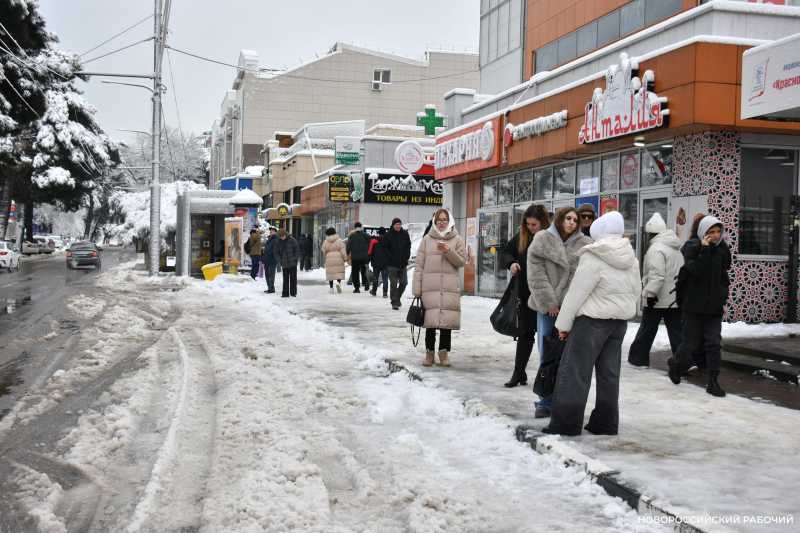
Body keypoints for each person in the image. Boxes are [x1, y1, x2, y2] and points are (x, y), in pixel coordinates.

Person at [542, 211, 640, 436]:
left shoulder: (594, 256)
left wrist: (563, 325)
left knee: (575, 372)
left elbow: (577, 293)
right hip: (618, 323)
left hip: (591, 322)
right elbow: (637, 291)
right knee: (609, 374)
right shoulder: (631, 258)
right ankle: (605, 423)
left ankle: (566, 424)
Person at [527, 207, 592, 418]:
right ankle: (545, 401)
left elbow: (585, 279)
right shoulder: (542, 239)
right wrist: (550, 303)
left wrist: (571, 306)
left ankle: (564, 401)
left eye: (576, 219)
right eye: (568, 218)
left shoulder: (585, 245)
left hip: (572, 309)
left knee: (569, 357)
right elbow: (536, 275)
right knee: (548, 353)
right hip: (548, 309)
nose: (572, 222)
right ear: (559, 219)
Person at [668, 215, 732, 397]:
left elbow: (725, 268)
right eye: (711, 232)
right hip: (694, 307)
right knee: (690, 344)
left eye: (718, 231)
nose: (715, 235)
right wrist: (705, 250)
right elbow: (696, 271)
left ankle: (713, 381)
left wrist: (722, 295)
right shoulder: (692, 248)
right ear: (703, 232)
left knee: (713, 344)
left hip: (714, 308)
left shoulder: (721, 249)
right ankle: (676, 364)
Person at [500, 204, 549, 388]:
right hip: (526, 293)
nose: (531, 227)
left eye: (534, 224)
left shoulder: (550, 237)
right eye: (528, 224)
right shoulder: (523, 235)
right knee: (525, 333)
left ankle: (546, 377)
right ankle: (518, 372)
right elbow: (506, 252)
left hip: (546, 294)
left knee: (546, 337)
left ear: (543, 222)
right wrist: (511, 263)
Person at [627, 213, 684, 367]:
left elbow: (657, 276)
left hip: (657, 298)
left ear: (650, 233)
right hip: (674, 297)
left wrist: (649, 294)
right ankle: (684, 360)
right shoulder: (675, 247)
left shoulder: (655, 249)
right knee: (676, 331)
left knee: (647, 329)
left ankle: (638, 358)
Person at [412, 209, 466, 367]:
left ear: (449, 221)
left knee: (446, 323)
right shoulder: (427, 240)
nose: (441, 222)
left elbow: (462, 261)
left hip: (449, 287)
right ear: (434, 222)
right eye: (438, 220)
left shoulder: (457, 239)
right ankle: (429, 354)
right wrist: (417, 288)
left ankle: (443, 353)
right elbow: (419, 266)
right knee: (430, 322)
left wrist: (448, 251)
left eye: (444, 220)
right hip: (430, 287)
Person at [384, 217, 411, 310]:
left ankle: (396, 298)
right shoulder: (388, 235)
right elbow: (385, 249)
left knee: (404, 282)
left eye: (399, 224)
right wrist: (389, 258)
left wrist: (407, 256)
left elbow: (408, 246)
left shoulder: (405, 234)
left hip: (403, 263)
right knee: (393, 284)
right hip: (392, 264)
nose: (398, 226)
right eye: (396, 224)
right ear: (393, 225)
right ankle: (394, 302)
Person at [346, 222, 371, 294]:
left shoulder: (352, 236)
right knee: (364, 271)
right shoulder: (366, 235)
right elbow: (370, 244)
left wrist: (348, 253)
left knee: (355, 272)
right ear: (361, 227)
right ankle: (365, 283)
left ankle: (357, 288)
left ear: (354, 228)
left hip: (355, 257)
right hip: (364, 257)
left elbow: (348, 246)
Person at [274, 229, 300, 297]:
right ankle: (285, 293)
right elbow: (276, 252)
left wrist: (295, 259)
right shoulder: (278, 242)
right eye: (280, 236)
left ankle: (293, 293)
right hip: (284, 263)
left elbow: (297, 250)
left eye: (283, 236)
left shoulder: (292, 240)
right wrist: (280, 260)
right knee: (285, 279)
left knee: (293, 279)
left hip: (292, 263)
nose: (282, 237)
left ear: (285, 234)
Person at [322, 227, 347, 294]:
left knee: (331, 274)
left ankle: (331, 288)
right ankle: (338, 283)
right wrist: (345, 258)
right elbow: (343, 250)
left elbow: (323, 250)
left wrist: (326, 256)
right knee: (339, 273)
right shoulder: (339, 240)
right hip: (338, 258)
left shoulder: (326, 241)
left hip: (329, 258)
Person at [369, 227, 389, 298]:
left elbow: (370, 252)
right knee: (385, 279)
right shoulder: (388, 241)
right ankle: (385, 293)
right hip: (385, 263)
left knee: (375, 278)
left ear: (378, 233)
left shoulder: (374, 241)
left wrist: (371, 260)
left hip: (376, 263)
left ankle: (374, 291)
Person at [263, 227, 278, 293]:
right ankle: (269, 287)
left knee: (271, 275)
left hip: (272, 260)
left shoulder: (275, 239)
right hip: (267, 259)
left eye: (272, 231)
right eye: (270, 231)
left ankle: (271, 288)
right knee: (267, 274)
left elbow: (275, 250)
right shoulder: (269, 239)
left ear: (275, 232)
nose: (271, 232)